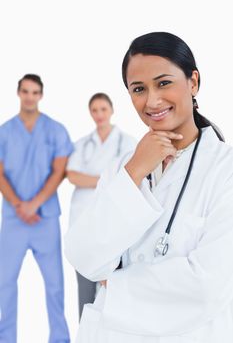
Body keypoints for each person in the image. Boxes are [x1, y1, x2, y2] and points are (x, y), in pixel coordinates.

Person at [64, 32, 233, 343]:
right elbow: (84, 257)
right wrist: (135, 170)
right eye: (138, 89)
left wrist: (114, 286)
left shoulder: (225, 169)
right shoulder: (123, 168)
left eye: (164, 83)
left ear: (193, 82)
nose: (152, 100)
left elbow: (208, 286)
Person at [0, 74, 72, 342]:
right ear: (18, 93)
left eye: (35, 92)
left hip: (45, 218)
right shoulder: (5, 132)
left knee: (54, 285)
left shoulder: (55, 130)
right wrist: (20, 205)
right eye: (25, 91)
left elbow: (59, 171)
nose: (30, 96)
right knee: (5, 284)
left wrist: (35, 204)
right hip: (13, 219)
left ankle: (60, 338)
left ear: (41, 95)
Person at [66, 92, 136, 319]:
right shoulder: (82, 144)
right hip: (83, 226)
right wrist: (108, 180)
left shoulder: (127, 143)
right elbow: (73, 176)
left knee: (114, 296)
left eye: (103, 109)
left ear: (112, 110)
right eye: (94, 110)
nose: (99, 115)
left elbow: (131, 178)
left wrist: (93, 179)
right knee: (85, 297)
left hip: (114, 229)